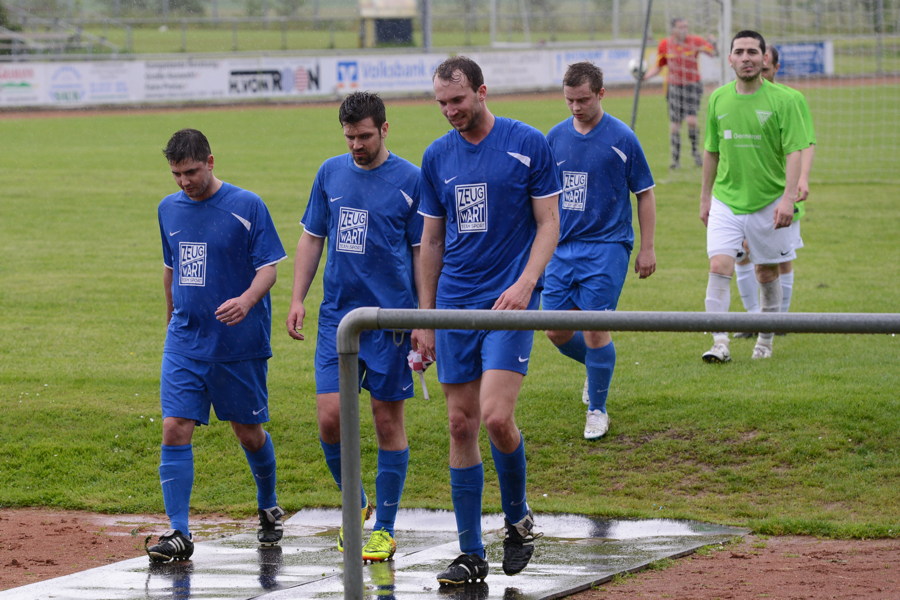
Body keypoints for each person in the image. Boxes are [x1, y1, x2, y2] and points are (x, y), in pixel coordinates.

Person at [413, 55, 561, 586]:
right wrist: (425, 316)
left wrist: (526, 284)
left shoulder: (527, 143)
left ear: (481, 91)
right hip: (455, 304)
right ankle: (471, 552)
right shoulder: (436, 156)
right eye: (441, 103)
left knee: (496, 417)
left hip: (509, 305)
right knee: (460, 424)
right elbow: (431, 240)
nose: (450, 110)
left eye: (457, 100)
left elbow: (549, 222)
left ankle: (517, 518)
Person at [285, 91, 421, 563]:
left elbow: (423, 253)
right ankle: (356, 503)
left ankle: (384, 528)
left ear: (384, 128)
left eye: (364, 136)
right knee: (329, 418)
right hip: (338, 320)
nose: (357, 145)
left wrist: (423, 319)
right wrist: (298, 298)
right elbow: (312, 238)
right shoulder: (330, 172)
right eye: (349, 137)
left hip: (391, 322)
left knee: (387, 421)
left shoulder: (411, 180)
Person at [148, 128, 288, 563]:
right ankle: (179, 531)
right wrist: (171, 319)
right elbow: (171, 268)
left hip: (238, 344)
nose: (184, 182)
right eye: (176, 174)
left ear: (210, 161)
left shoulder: (248, 205)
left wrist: (246, 300)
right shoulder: (168, 208)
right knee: (175, 426)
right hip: (185, 340)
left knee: (248, 433)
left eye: (191, 172)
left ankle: (268, 506)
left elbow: (269, 268)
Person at [544, 61, 657, 441]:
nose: (576, 107)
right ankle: (597, 369)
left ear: (601, 94)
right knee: (554, 330)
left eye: (583, 100)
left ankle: (598, 409)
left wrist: (647, 248)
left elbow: (645, 193)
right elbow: (542, 197)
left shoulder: (622, 138)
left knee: (594, 328)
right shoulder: (554, 137)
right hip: (561, 248)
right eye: (570, 100)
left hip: (607, 246)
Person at [700, 31, 807, 363]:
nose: (746, 57)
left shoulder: (784, 100)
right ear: (730, 59)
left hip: (769, 201)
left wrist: (788, 198)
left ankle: (765, 340)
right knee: (719, 265)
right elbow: (711, 151)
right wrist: (705, 197)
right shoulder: (718, 98)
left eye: (752, 52)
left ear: (764, 59)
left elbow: (795, 151)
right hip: (726, 200)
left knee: (766, 272)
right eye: (739, 51)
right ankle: (719, 343)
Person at [733, 45, 816, 334]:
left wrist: (802, 178)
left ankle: (779, 319)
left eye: (765, 69)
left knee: (781, 258)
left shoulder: (791, 99)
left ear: (774, 68)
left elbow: (805, 142)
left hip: (780, 191)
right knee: (742, 253)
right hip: (743, 192)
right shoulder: (734, 98)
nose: (759, 73)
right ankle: (753, 319)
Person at [642, 18, 718, 169]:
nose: (684, 30)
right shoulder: (665, 44)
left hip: (692, 85)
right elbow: (659, 67)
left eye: (686, 27)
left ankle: (696, 154)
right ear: (673, 29)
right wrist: (644, 77)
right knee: (675, 125)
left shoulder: (695, 41)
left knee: (692, 121)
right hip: (674, 87)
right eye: (681, 27)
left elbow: (714, 53)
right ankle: (675, 160)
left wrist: (713, 42)